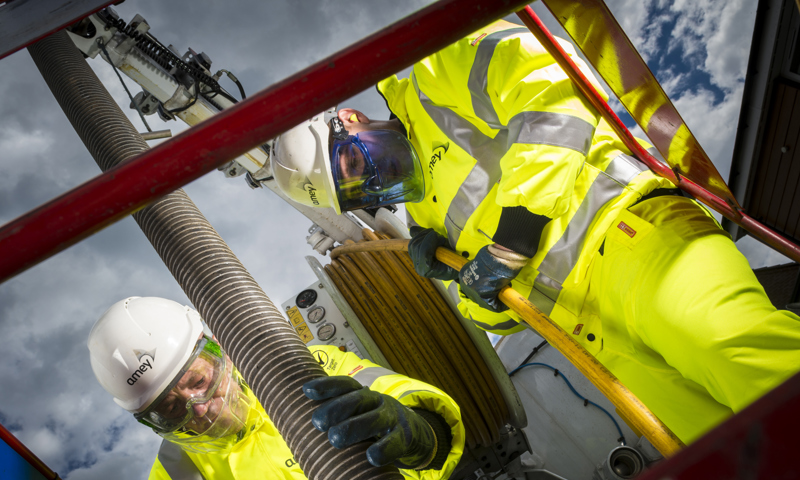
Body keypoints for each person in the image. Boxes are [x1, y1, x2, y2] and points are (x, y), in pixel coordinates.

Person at [271, 19, 800, 444]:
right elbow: (498, 310)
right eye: (357, 192)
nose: (371, 180)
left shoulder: (433, 75)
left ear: (351, 118)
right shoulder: (424, 217)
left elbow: (551, 94)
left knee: (739, 359)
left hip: (632, 242)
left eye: (352, 164)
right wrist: (470, 290)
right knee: (725, 453)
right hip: (592, 336)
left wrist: (514, 237)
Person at [88, 296, 496, 480]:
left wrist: (413, 430)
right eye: (171, 409)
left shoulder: (305, 366)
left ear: (218, 350)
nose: (200, 408)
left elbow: (429, 423)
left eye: (198, 380)